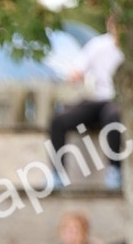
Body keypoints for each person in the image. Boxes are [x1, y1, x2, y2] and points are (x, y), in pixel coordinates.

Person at [49, 14, 125, 190]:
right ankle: (57, 174)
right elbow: (77, 70)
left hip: (118, 102)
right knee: (58, 120)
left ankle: (115, 170)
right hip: (98, 98)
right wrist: (75, 77)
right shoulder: (98, 45)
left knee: (113, 117)